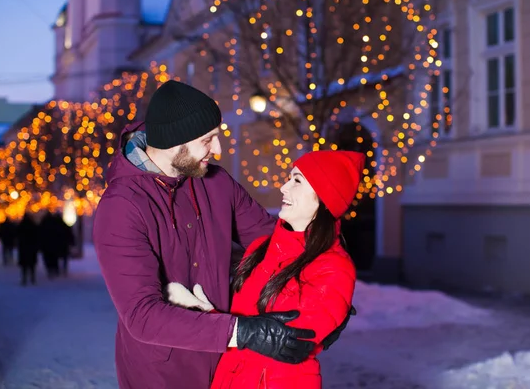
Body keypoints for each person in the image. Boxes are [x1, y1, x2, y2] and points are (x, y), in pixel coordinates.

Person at [93, 81, 349, 389]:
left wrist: (332, 292)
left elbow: (275, 242)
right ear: (176, 141)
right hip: (162, 373)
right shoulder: (121, 207)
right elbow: (142, 315)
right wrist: (242, 332)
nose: (218, 150)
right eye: (208, 140)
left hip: (226, 368)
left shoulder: (215, 183)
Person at [169, 150, 363, 388]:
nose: (284, 187)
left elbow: (291, 340)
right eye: (289, 178)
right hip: (229, 377)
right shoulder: (261, 248)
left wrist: (209, 317)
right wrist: (205, 310)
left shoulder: (333, 267)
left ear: (324, 198)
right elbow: (244, 324)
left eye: (297, 180)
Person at [17, 213, 39, 285]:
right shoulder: (33, 226)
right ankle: (32, 278)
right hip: (31, 247)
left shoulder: (21, 225)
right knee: (31, 265)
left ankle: (24, 278)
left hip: (24, 247)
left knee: (24, 265)